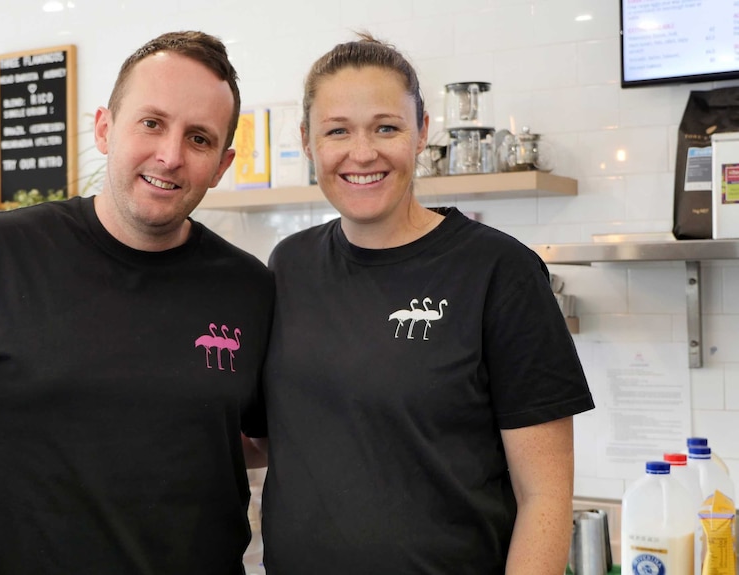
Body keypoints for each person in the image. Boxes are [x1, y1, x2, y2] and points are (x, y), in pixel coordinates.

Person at [0, 31, 273, 574]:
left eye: (199, 138)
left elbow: (259, 439)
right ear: (105, 128)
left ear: (222, 165)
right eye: (151, 122)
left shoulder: (249, 289)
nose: (171, 155)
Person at [254, 33, 595, 575]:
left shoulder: (500, 272)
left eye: (386, 127)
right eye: (337, 130)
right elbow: (279, 437)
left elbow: (546, 499)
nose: (361, 153)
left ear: (421, 133)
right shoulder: (288, 264)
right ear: (308, 141)